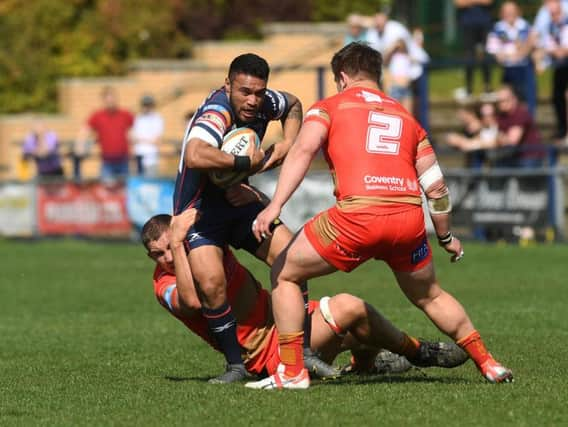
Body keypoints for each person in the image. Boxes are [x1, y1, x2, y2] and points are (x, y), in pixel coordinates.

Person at [248, 43, 513, 389]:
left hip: (357, 216)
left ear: (342, 78)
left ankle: (292, 372)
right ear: (378, 75)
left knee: (285, 273)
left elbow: (302, 151)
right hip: (407, 220)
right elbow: (436, 187)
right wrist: (446, 237)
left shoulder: (328, 107)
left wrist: (274, 206)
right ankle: (489, 363)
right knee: (430, 295)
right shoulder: (407, 117)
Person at [141, 207, 469, 381]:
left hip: (282, 319)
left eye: (169, 249)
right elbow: (193, 301)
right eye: (158, 254)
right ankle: (418, 351)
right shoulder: (163, 284)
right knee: (349, 307)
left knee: (356, 327)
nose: (166, 258)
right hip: (267, 354)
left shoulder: (206, 246)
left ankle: (367, 363)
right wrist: (178, 246)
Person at [172, 53, 333, 383]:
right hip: (200, 212)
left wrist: (288, 143)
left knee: (292, 259)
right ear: (227, 85)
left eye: (258, 92)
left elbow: (293, 105)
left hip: (239, 200)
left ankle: (303, 353)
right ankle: (236, 366)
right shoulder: (216, 112)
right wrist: (248, 164)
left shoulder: (266, 102)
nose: (252, 100)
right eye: (244, 91)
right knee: (212, 284)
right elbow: (195, 153)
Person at [486, 1, 538, 116]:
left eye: (512, 11)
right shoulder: (497, 28)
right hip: (508, 71)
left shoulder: (526, 26)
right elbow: (496, 52)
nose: (509, 14)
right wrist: (516, 51)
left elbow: (530, 45)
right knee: (508, 103)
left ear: (518, 12)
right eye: (506, 12)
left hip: (525, 70)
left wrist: (520, 51)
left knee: (527, 103)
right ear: (502, 14)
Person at [75, 86, 134, 179]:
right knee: (106, 189)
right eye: (108, 99)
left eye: (113, 98)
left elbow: (134, 131)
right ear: (104, 101)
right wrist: (81, 145)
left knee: (124, 188)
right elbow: (84, 130)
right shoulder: (98, 116)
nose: (111, 102)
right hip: (107, 161)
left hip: (123, 160)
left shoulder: (125, 114)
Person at [454, 0, 494, 97]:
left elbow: (488, 2)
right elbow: (459, 3)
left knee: (485, 55)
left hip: (484, 23)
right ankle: (469, 90)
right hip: (468, 24)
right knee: (468, 56)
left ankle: (487, 89)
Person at [541, 0, 568, 140]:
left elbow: (563, 49)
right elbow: (548, 46)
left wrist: (558, 51)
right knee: (557, 97)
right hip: (560, 66)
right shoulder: (551, 26)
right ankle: (563, 129)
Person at [131, 94, 164, 176]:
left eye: (148, 105)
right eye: (144, 105)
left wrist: (141, 139)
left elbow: (157, 140)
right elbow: (133, 138)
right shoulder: (137, 118)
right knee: (139, 183)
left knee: (151, 184)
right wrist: (148, 140)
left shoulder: (157, 118)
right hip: (139, 155)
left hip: (151, 157)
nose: (146, 107)